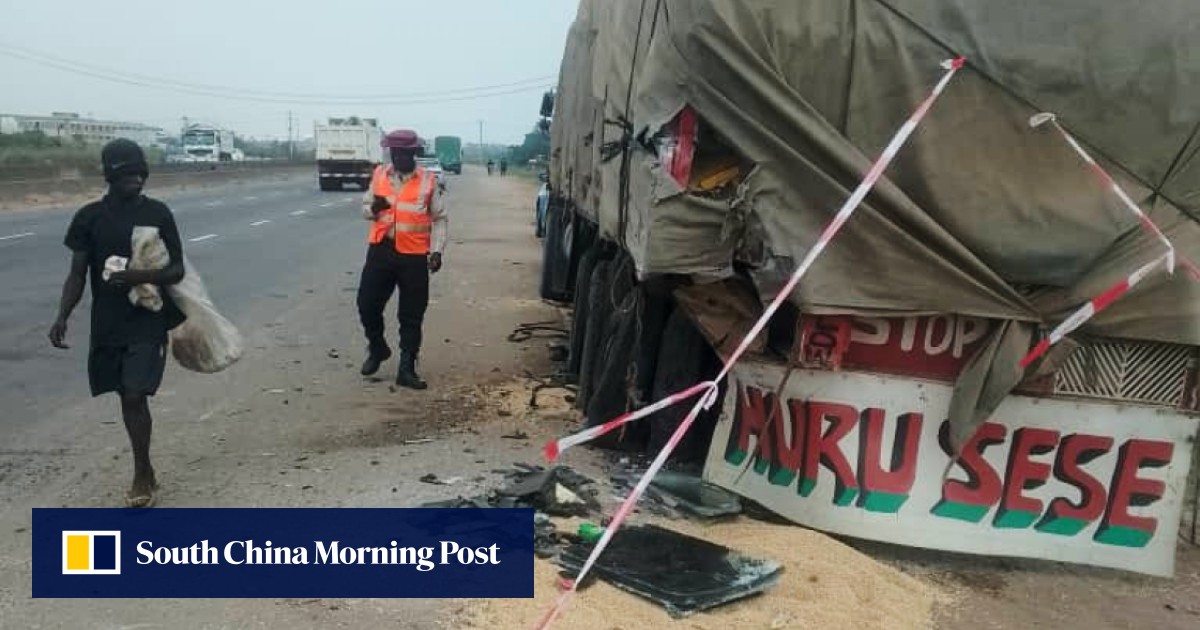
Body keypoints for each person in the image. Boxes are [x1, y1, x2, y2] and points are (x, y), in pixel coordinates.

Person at [49, 138, 187, 508]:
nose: (137, 181)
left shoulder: (158, 213)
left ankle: (142, 474)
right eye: (129, 175)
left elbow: (177, 269)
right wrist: (63, 314)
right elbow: (78, 274)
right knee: (124, 396)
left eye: (141, 174)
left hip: (148, 318)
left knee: (134, 393)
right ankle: (147, 468)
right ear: (110, 176)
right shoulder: (89, 218)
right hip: (109, 322)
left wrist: (138, 276)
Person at [357, 129, 448, 389]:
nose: (399, 157)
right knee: (366, 304)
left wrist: (437, 250)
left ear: (413, 153)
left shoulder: (428, 181)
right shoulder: (379, 175)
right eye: (395, 153)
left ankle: (407, 367)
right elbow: (364, 208)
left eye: (404, 153)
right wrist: (373, 208)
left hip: (414, 256)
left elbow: (440, 219)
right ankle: (377, 347)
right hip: (381, 251)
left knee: (411, 315)